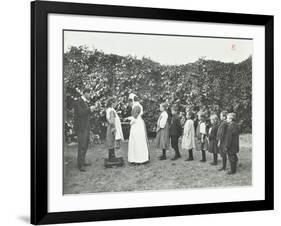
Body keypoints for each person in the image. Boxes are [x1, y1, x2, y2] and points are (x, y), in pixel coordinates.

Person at [73, 88, 93, 172]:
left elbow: (86, 114)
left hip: (86, 127)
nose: (90, 95)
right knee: (82, 145)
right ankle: (80, 165)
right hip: (81, 128)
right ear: (84, 93)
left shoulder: (85, 102)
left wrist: (91, 110)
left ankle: (83, 161)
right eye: (88, 93)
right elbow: (80, 113)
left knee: (86, 144)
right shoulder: (78, 101)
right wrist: (90, 109)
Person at [105, 97, 123, 161]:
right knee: (111, 142)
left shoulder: (108, 109)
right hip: (112, 127)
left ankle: (111, 157)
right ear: (112, 103)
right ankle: (112, 158)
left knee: (110, 142)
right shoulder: (112, 111)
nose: (116, 104)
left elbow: (108, 119)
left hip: (110, 127)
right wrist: (114, 128)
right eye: (116, 103)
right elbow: (112, 121)